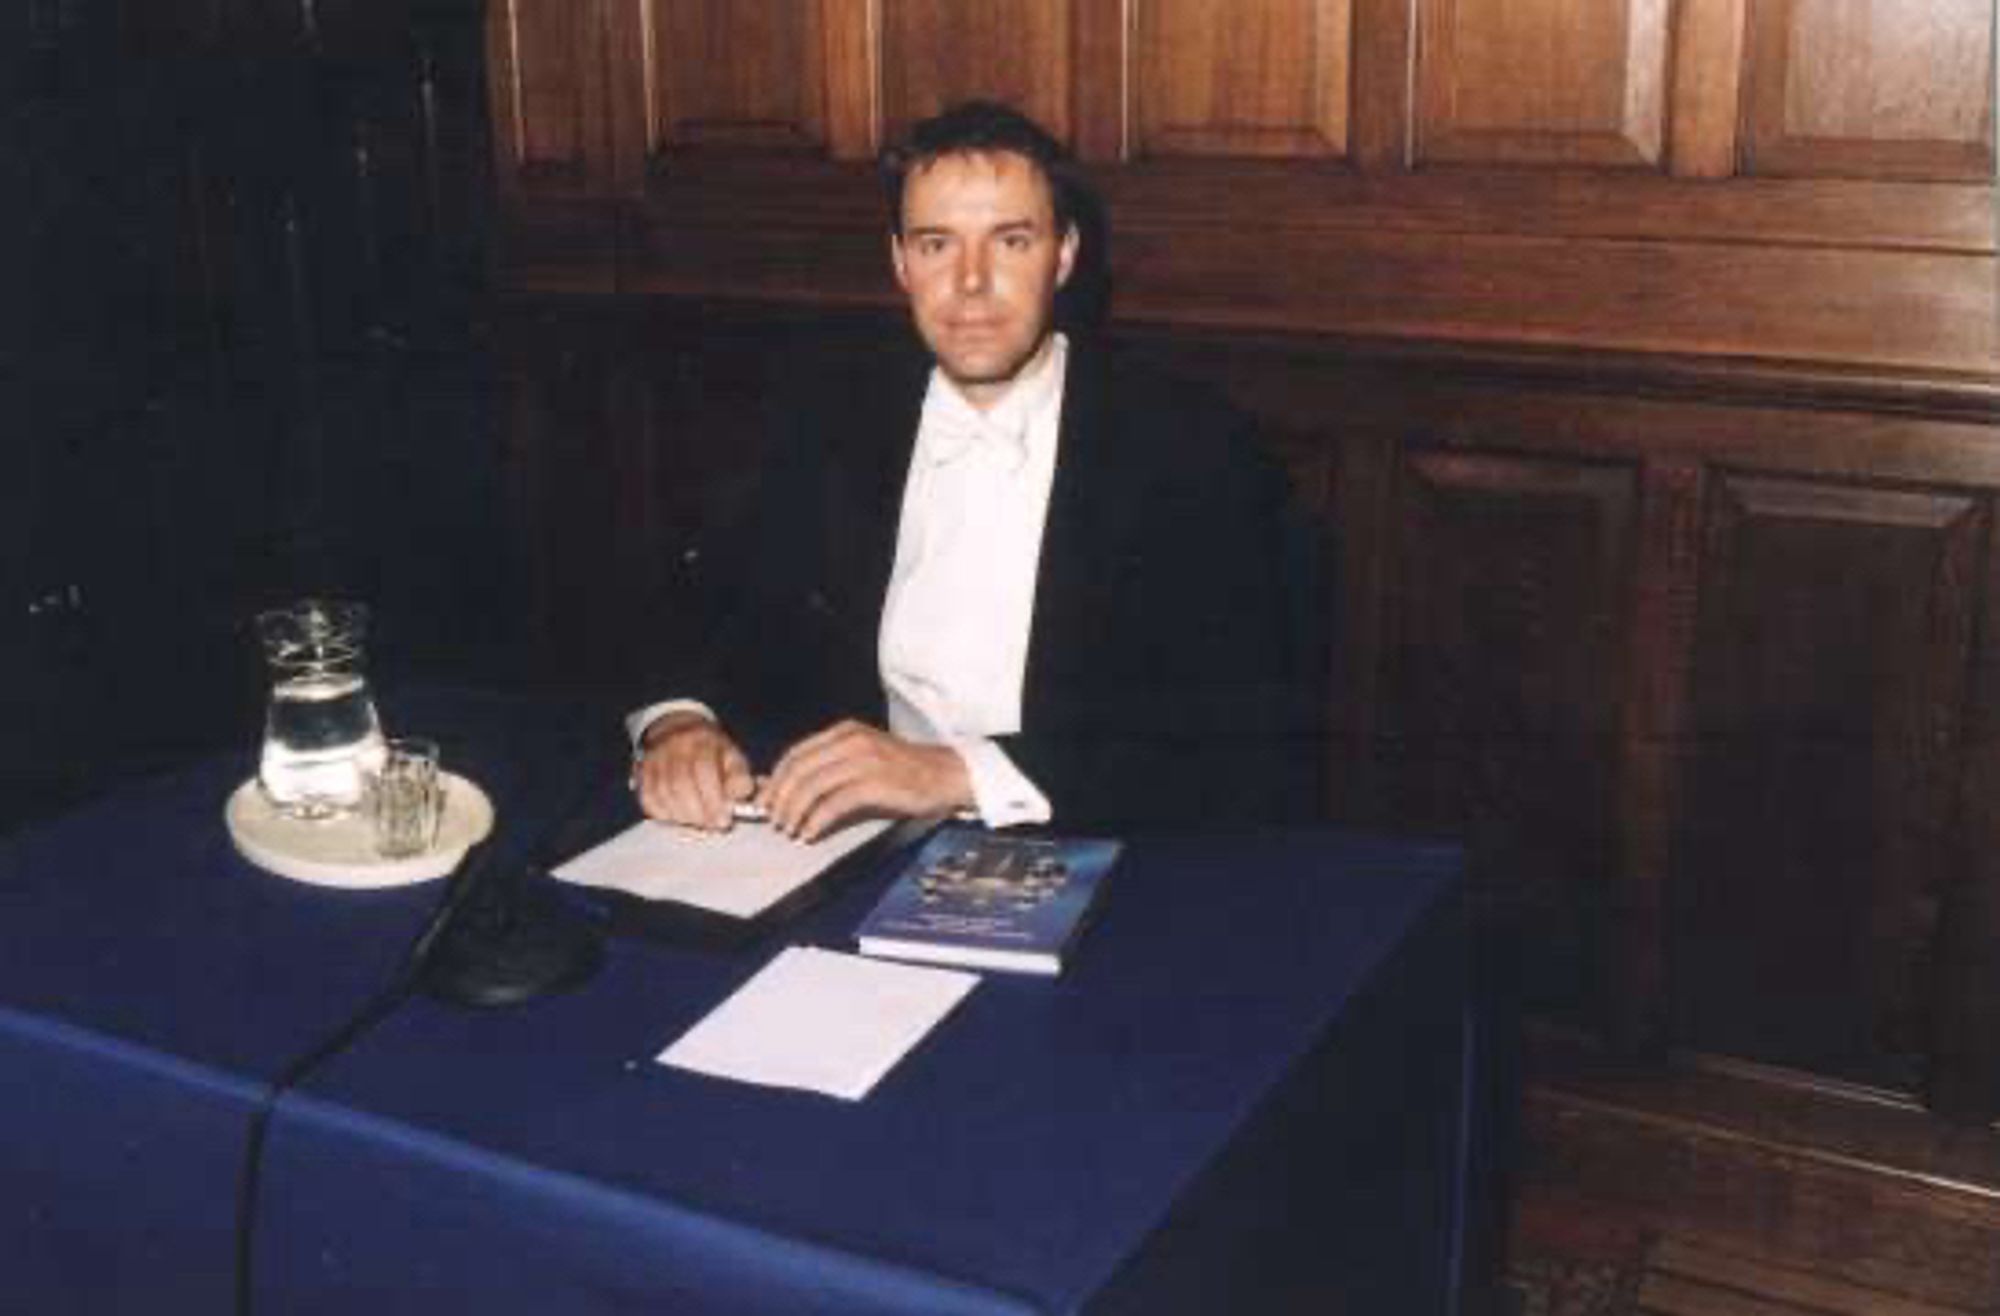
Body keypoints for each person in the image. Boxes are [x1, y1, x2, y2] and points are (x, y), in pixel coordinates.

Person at [629, 100, 1316, 841]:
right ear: (899, 261)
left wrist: (955, 772)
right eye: (936, 245)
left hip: (1098, 854)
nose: (971, 283)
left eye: (1011, 241)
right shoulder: (829, 416)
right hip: (848, 855)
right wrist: (675, 726)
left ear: (1064, 254)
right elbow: (695, 602)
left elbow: (1238, 748)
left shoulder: (1193, 449)